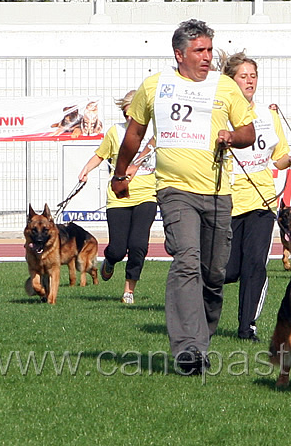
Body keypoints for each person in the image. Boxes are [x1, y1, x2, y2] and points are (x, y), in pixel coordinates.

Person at [110, 19, 256, 375]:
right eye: (200, 51)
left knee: (213, 273)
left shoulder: (225, 87)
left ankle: (200, 339)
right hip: (175, 189)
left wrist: (231, 137)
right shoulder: (155, 86)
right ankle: (188, 349)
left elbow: (248, 132)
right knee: (186, 259)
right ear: (179, 54)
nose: (208, 57)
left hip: (219, 192)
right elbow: (134, 133)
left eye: (209, 50)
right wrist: (120, 173)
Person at [220, 52, 291, 342]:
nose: (249, 81)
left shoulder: (269, 116)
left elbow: (277, 158)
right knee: (229, 269)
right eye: (243, 76)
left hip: (262, 202)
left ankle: (247, 327)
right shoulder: (219, 112)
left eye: (253, 76)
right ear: (230, 80)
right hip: (228, 199)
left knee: (255, 265)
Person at [78, 90, 157, 304]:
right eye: (126, 114)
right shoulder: (115, 132)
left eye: (134, 114)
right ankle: (110, 260)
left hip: (147, 194)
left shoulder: (155, 132)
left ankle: (128, 291)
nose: (130, 119)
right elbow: (100, 154)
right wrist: (86, 169)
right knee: (119, 248)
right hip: (119, 195)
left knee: (139, 244)